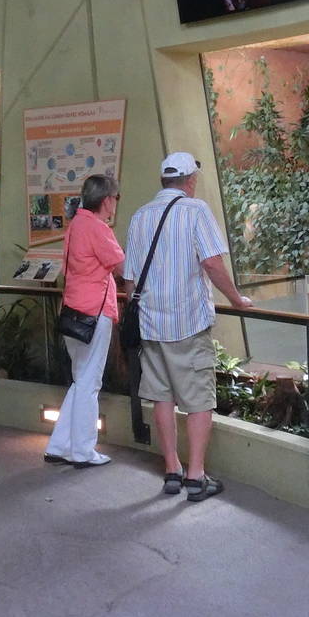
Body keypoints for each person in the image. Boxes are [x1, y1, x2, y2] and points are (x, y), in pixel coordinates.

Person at [122, 152, 253, 503]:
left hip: (151, 325)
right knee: (198, 400)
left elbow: (130, 280)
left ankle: (171, 469)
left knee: (162, 397)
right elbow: (211, 262)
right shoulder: (196, 211)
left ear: (164, 180)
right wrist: (237, 299)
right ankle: (195, 476)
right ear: (190, 180)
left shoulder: (139, 216)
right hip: (187, 325)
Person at [44, 173, 125, 468]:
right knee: (90, 383)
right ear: (107, 200)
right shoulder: (98, 228)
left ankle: (60, 445)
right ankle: (83, 451)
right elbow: (121, 265)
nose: (116, 203)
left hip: (73, 311)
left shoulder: (75, 224)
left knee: (81, 380)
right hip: (95, 313)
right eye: (116, 198)